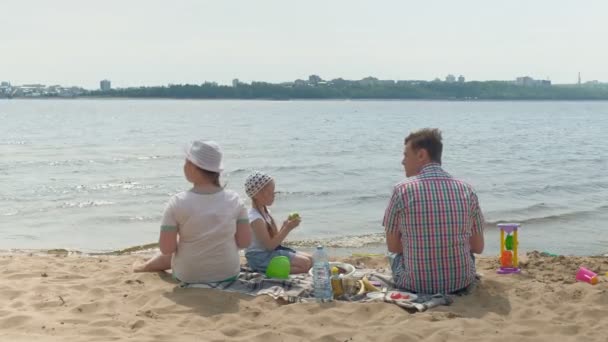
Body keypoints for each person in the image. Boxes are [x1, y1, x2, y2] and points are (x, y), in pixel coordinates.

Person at [134, 140, 251, 283]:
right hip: (228, 273)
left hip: (188, 276)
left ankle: (143, 267)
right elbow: (245, 242)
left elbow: (167, 249)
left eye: (186, 162)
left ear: (193, 167)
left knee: (173, 249)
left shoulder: (177, 202)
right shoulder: (235, 200)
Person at [383, 128, 484, 294]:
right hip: (461, 281)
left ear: (422, 155)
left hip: (415, 284)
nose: (403, 162)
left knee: (393, 256)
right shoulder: (467, 190)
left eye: (406, 155)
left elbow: (393, 246)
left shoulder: (402, 190)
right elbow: (478, 247)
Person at [244, 171, 313, 274]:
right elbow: (270, 246)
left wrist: (285, 225)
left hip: (269, 252)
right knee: (305, 265)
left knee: (311, 260)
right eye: (270, 192)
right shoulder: (256, 219)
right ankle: (265, 270)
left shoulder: (265, 212)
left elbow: (275, 241)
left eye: (274, 191)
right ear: (257, 195)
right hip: (259, 257)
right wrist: (287, 228)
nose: (274, 195)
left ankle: (273, 268)